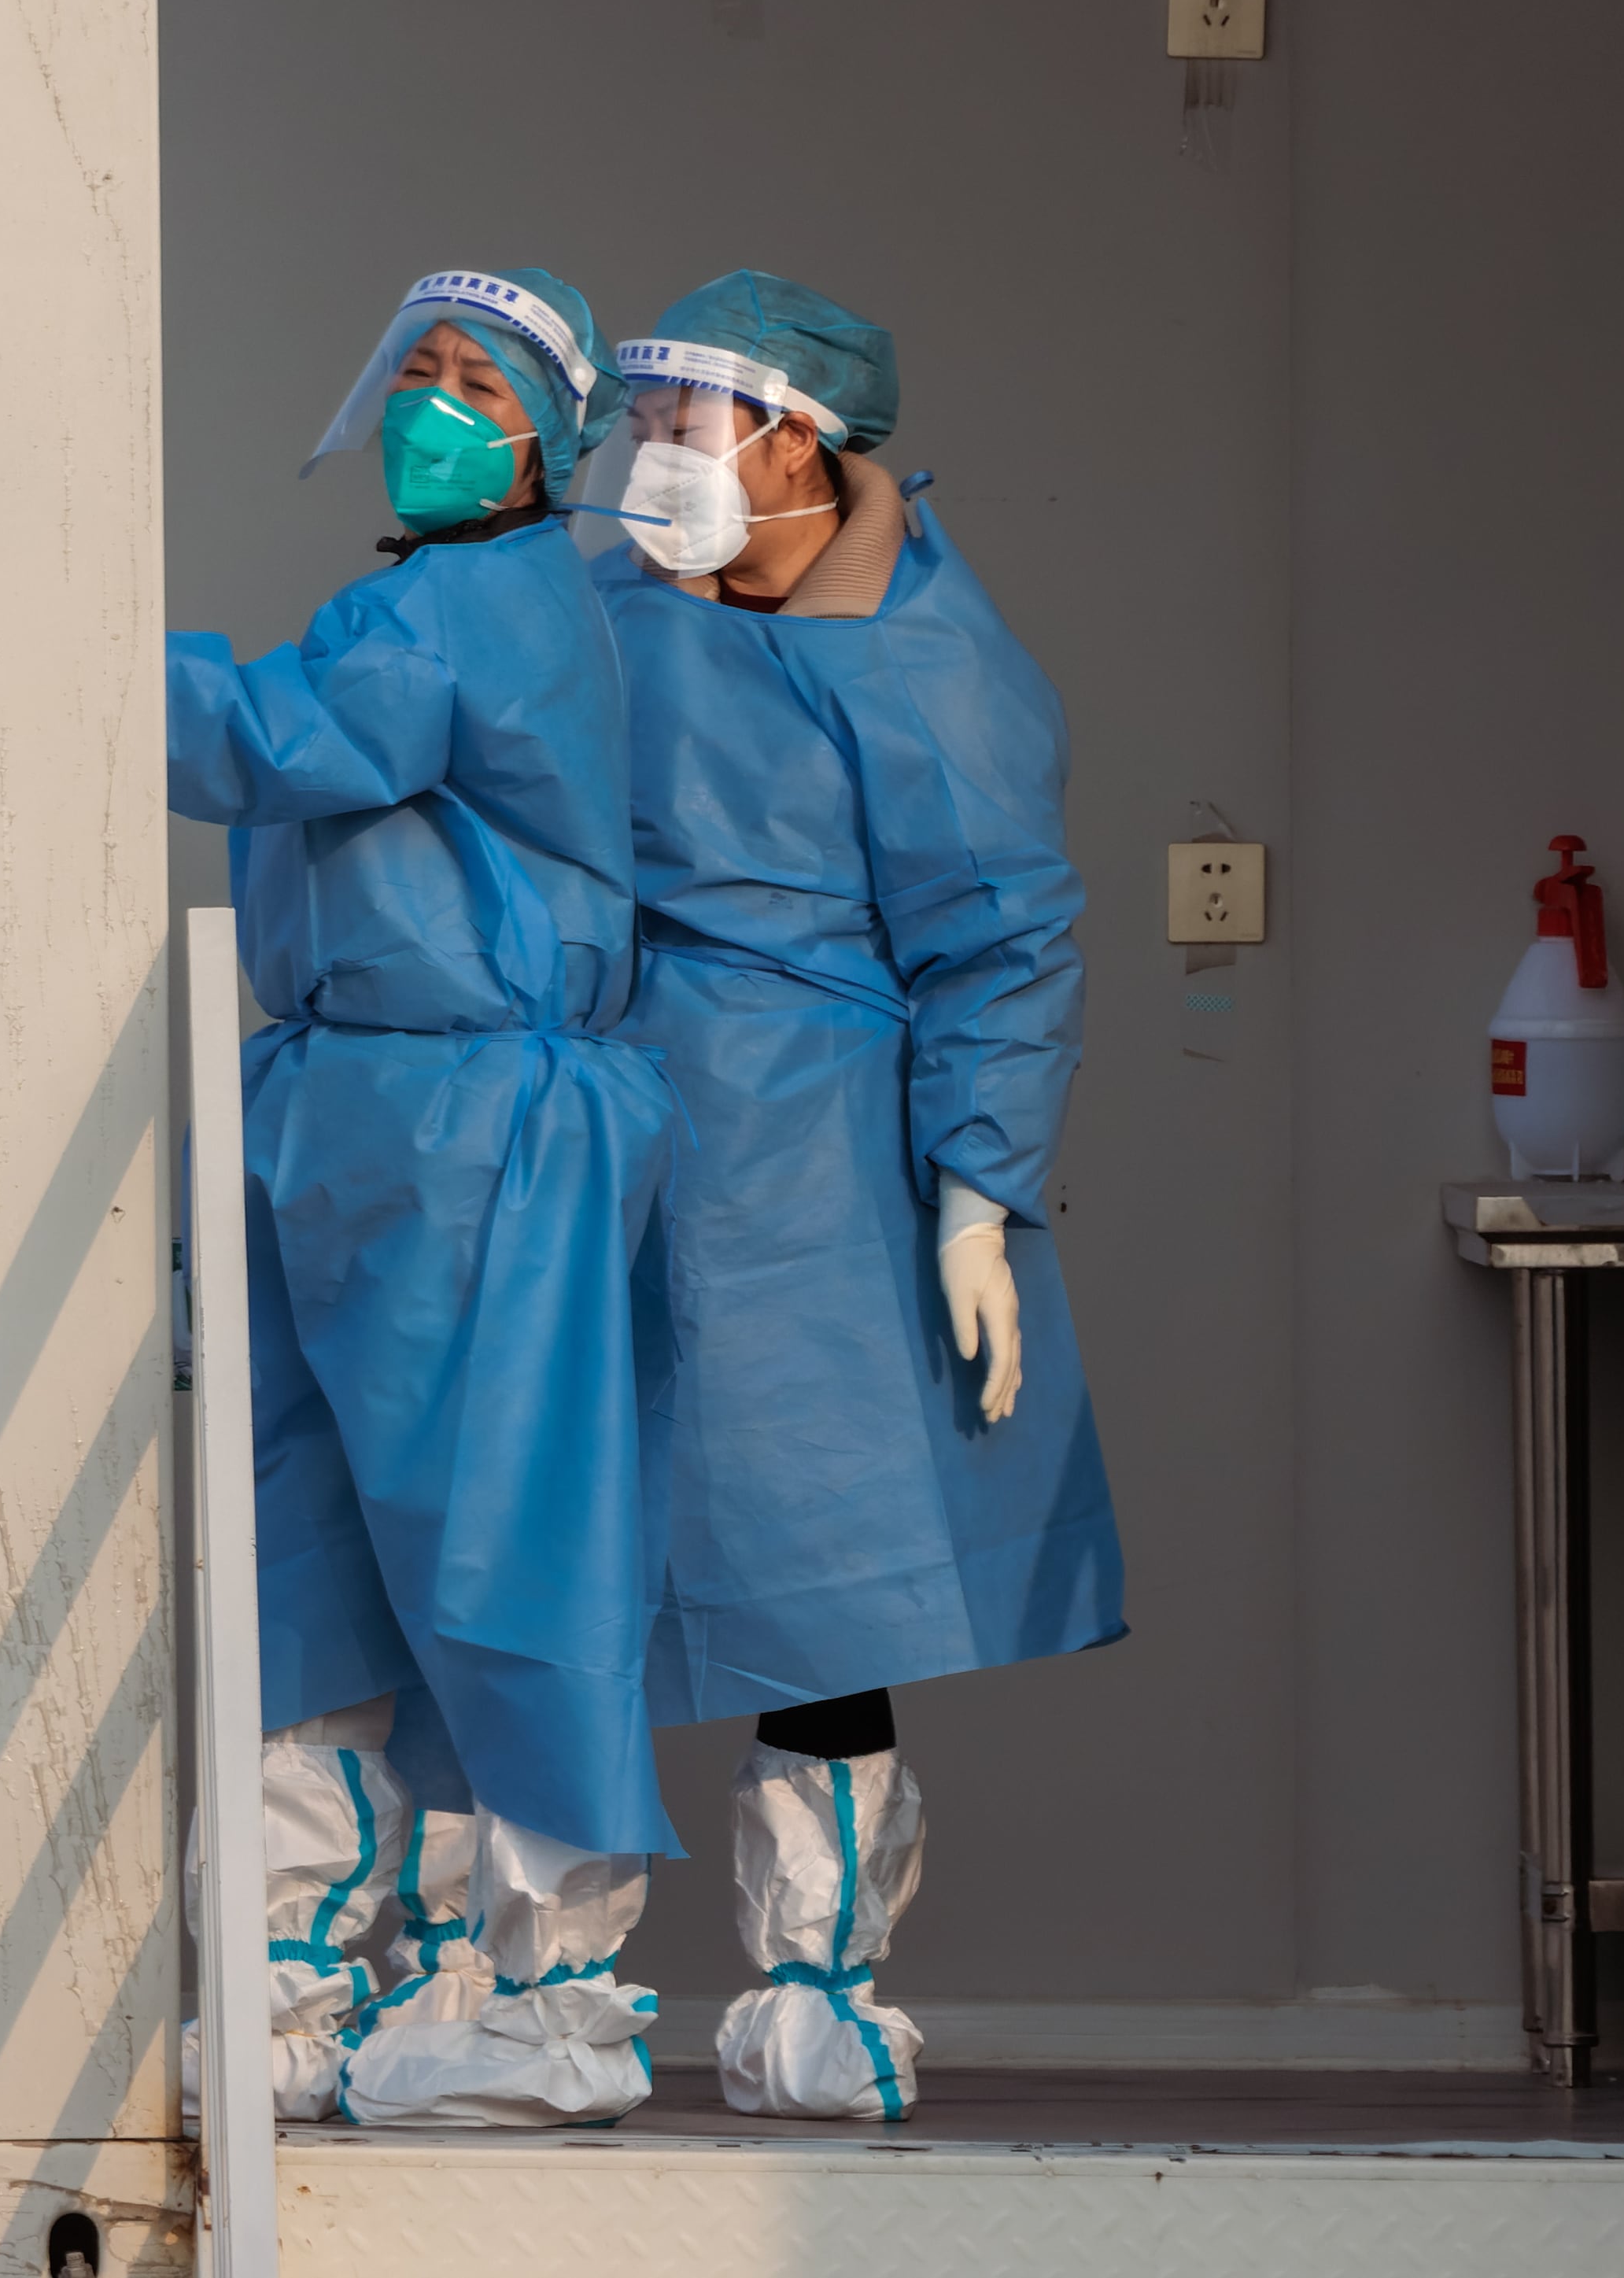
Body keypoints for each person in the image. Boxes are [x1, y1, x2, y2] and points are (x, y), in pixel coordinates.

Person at [598, 271, 1127, 2121]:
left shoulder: (929, 661)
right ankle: (534, 1994)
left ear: (795, 438)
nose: (650, 459)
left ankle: (816, 1996)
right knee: (541, 1557)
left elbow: (999, 943)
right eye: (639, 421)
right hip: (589, 1132)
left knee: (811, 1591)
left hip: (806, 1171)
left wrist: (975, 1189)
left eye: (684, 422)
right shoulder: (618, 609)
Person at [168, 268, 678, 2128]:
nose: (436, 404)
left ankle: (555, 1994)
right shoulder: (415, 595)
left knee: (503, 1546)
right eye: (420, 371)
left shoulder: (477, 604)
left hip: (481, 1122)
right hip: (354, 1110)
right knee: (307, 1544)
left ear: (552, 441)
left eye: (481, 384)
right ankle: (305, 1964)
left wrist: (54, 650)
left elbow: (279, 742)